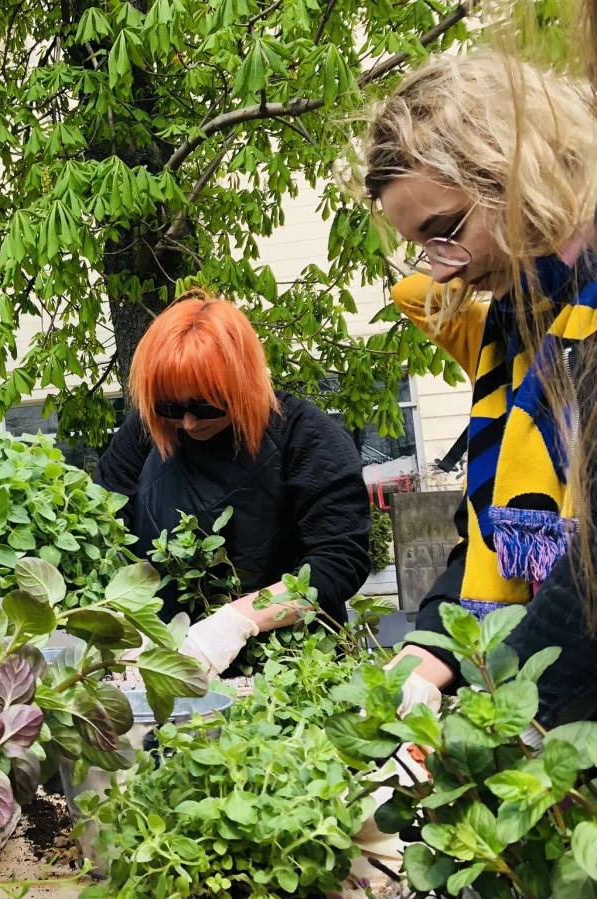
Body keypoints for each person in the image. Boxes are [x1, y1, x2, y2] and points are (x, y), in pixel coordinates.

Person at [354, 51, 597, 724]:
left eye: (445, 232)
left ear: (517, 168)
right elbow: (483, 532)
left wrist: (489, 719)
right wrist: (430, 648)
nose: (440, 271)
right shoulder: (522, 317)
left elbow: (591, 567)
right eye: (422, 247)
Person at [93, 291, 372, 677]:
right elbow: (104, 530)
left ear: (243, 383)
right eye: (170, 407)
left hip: (291, 669)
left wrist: (237, 622)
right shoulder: (142, 435)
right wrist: (127, 624)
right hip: (169, 667)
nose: (188, 423)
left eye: (206, 406)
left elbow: (338, 561)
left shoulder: (306, 437)